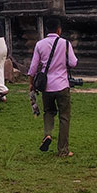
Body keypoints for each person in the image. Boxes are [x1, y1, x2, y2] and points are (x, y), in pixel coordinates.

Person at [27, 17, 79, 157]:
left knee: (48, 112)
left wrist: (31, 83)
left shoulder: (40, 45)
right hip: (62, 85)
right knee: (64, 116)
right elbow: (73, 63)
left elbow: (33, 68)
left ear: (46, 30)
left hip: (46, 86)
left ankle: (48, 135)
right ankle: (63, 150)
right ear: (59, 30)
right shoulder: (65, 44)